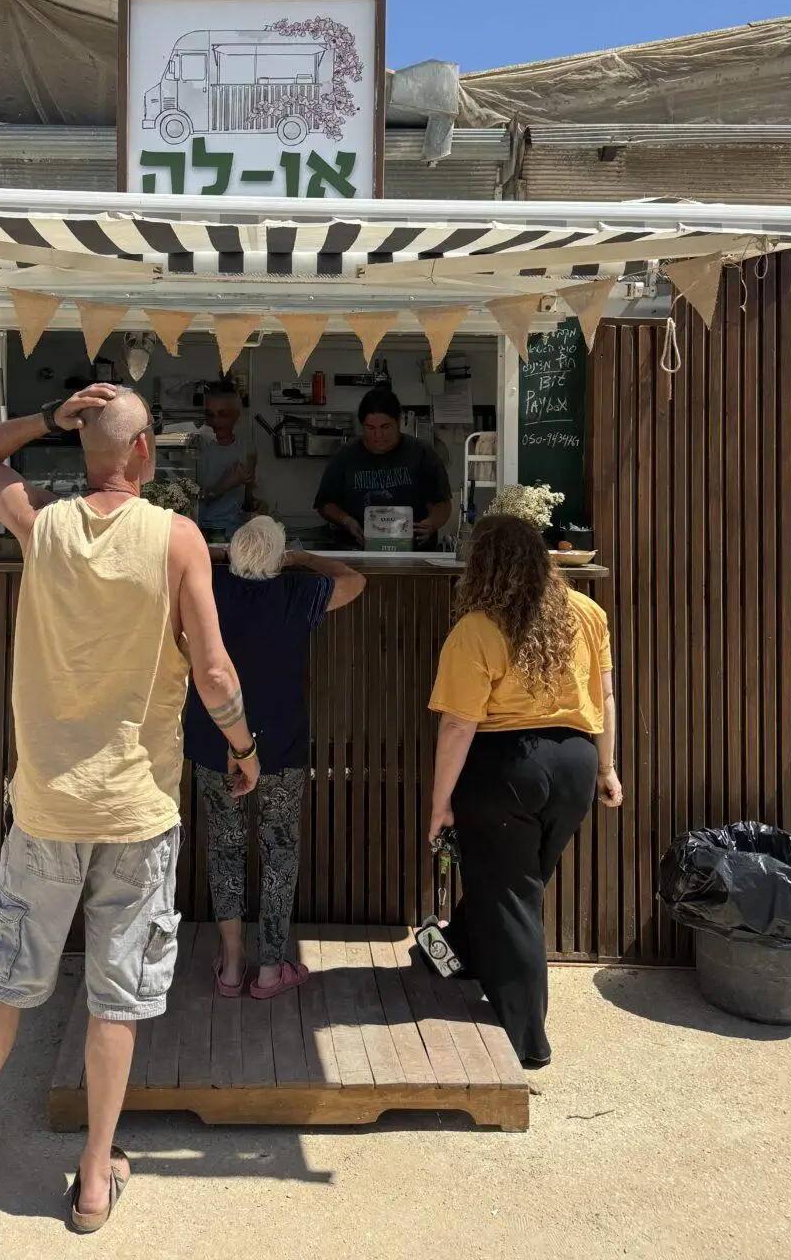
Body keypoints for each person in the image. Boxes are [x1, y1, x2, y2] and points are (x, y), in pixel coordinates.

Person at [0, 383, 259, 1234]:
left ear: (86, 447)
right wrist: (244, 747)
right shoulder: (177, 538)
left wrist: (48, 417)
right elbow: (214, 672)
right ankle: (93, 1181)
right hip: (137, 809)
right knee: (116, 1001)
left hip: (47, 806)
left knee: (7, 985)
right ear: (144, 452)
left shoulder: (43, 524)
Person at [426, 513, 623, 1068]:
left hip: (506, 770)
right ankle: (461, 951)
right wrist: (607, 769)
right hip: (575, 766)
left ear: (481, 567)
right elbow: (606, 697)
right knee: (516, 882)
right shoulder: (587, 612)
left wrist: (440, 804)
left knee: (512, 896)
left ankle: (526, 1039)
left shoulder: (476, 629)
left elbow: (458, 725)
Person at [184, 517, 365, 996]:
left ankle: (230, 965)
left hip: (215, 737)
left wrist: (219, 553)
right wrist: (303, 558)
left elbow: (174, 561)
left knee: (224, 846)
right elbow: (354, 580)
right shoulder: (297, 593)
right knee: (279, 850)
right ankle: (269, 969)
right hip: (279, 742)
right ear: (280, 558)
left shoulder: (209, 587)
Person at [314, 386, 451, 548]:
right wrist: (346, 521)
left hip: (413, 552)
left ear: (398, 421)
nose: (378, 436)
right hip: (357, 550)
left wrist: (432, 523)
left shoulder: (422, 454)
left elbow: (442, 503)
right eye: (370, 428)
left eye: (385, 427)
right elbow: (325, 504)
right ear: (362, 425)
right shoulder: (344, 456)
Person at [195, 380, 257, 539]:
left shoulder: (247, 450)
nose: (215, 421)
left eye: (223, 414)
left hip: (233, 536)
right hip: (199, 533)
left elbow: (247, 501)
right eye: (210, 415)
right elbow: (188, 499)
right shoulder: (196, 449)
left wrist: (257, 505)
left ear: (236, 416)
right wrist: (225, 484)